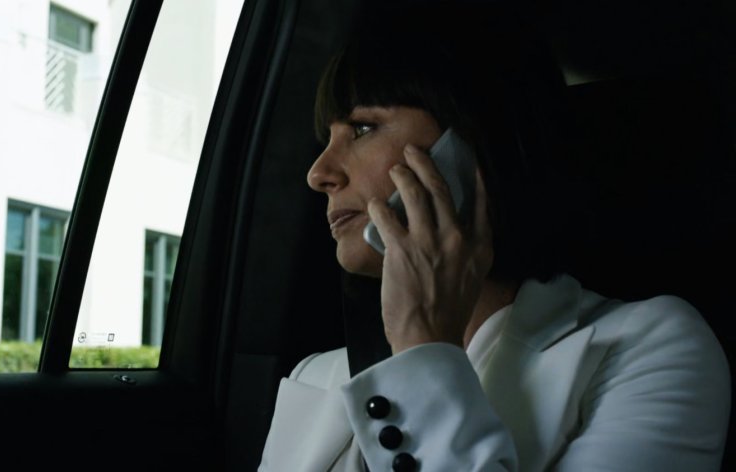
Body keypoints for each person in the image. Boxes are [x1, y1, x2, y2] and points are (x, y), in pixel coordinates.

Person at [259, 3, 730, 471]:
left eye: (362, 128)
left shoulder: (650, 348)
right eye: (328, 137)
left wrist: (424, 344)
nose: (318, 173)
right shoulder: (317, 376)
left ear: (468, 144)